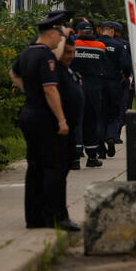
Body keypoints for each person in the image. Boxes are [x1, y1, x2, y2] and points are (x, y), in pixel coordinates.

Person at [10, 10, 79, 231]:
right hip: (45, 119)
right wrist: (61, 120)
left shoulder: (27, 53)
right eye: (59, 36)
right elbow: (51, 90)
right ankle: (57, 216)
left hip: (30, 114)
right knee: (54, 167)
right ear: (51, 33)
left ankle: (34, 217)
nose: (60, 40)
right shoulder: (46, 56)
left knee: (35, 167)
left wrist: (30, 93)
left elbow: (14, 75)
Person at [71, 20, 107, 168]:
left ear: (78, 32)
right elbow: (103, 65)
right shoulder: (100, 46)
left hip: (75, 86)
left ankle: (75, 159)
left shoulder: (73, 45)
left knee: (75, 121)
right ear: (92, 32)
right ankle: (92, 157)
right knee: (91, 121)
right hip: (94, 87)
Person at [57, 36, 85, 174]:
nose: (71, 56)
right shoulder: (53, 69)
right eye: (68, 52)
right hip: (59, 125)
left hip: (70, 125)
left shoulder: (67, 69)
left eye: (73, 52)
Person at [96, 21, 124, 159]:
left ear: (101, 31)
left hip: (98, 83)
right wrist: (123, 76)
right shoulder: (118, 46)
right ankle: (111, 136)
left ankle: (101, 149)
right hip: (114, 83)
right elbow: (126, 64)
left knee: (100, 115)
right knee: (114, 114)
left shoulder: (96, 44)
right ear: (112, 31)